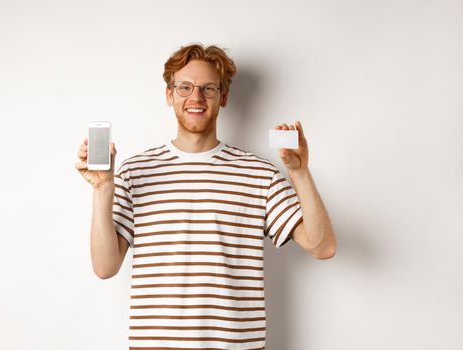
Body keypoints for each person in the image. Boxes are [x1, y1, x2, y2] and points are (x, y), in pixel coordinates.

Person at [75, 43, 337, 349]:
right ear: (169, 95)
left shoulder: (259, 174)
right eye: (184, 87)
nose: (195, 97)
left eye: (207, 88)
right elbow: (105, 267)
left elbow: (323, 247)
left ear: (223, 97)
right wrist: (103, 187)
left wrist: (300, 172)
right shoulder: (135, 172)